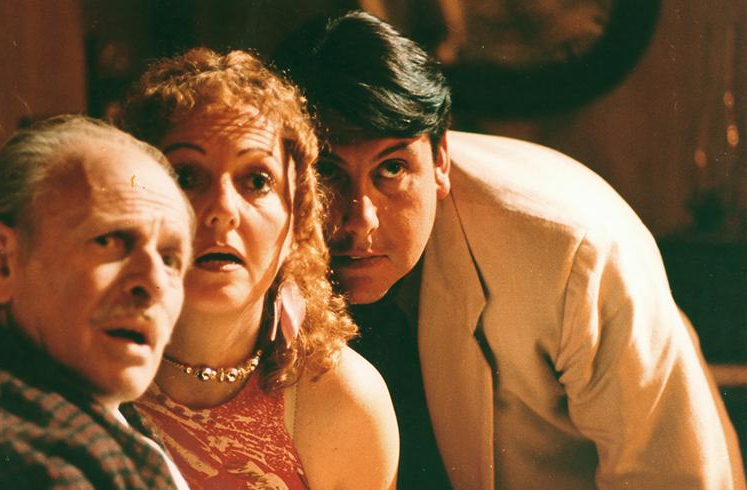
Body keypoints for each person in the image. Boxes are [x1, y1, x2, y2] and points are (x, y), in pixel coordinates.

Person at [273, 11, 746, 489]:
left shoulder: (572, 250)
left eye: (392, 169)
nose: (361, 220)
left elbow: (674, 476)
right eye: (326, 172)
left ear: (440, 160)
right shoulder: (250, 228)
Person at [118, 48, 399, 489]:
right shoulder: (76, 376)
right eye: (187, 177)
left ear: (298, 218)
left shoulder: (341, 401)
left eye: (256, 181)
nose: (222, 210)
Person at [0, 115, 193, 489]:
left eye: (170, 259)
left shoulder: (85, 425)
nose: (153, 283)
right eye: (108, 241)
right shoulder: (19, 464)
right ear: (1, 264)